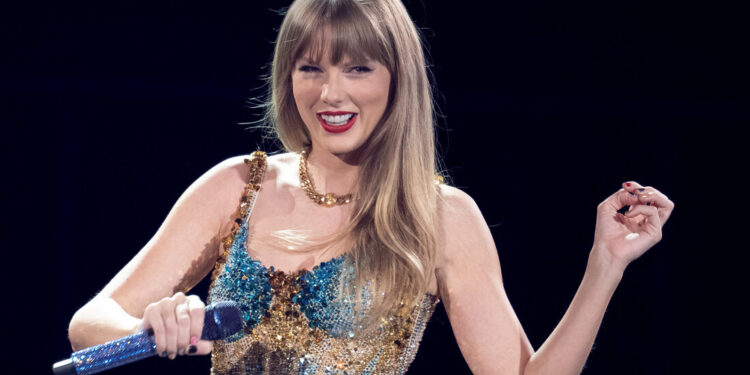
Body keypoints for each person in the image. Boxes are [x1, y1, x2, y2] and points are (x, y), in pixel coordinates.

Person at [67, 0, 675, 374]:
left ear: (396, 78)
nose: (331, 93)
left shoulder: (439, 218)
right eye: (312, 67)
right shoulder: (236, 186)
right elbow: (89, 323)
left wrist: (605, 266)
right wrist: (152, 327)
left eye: (357, 67)